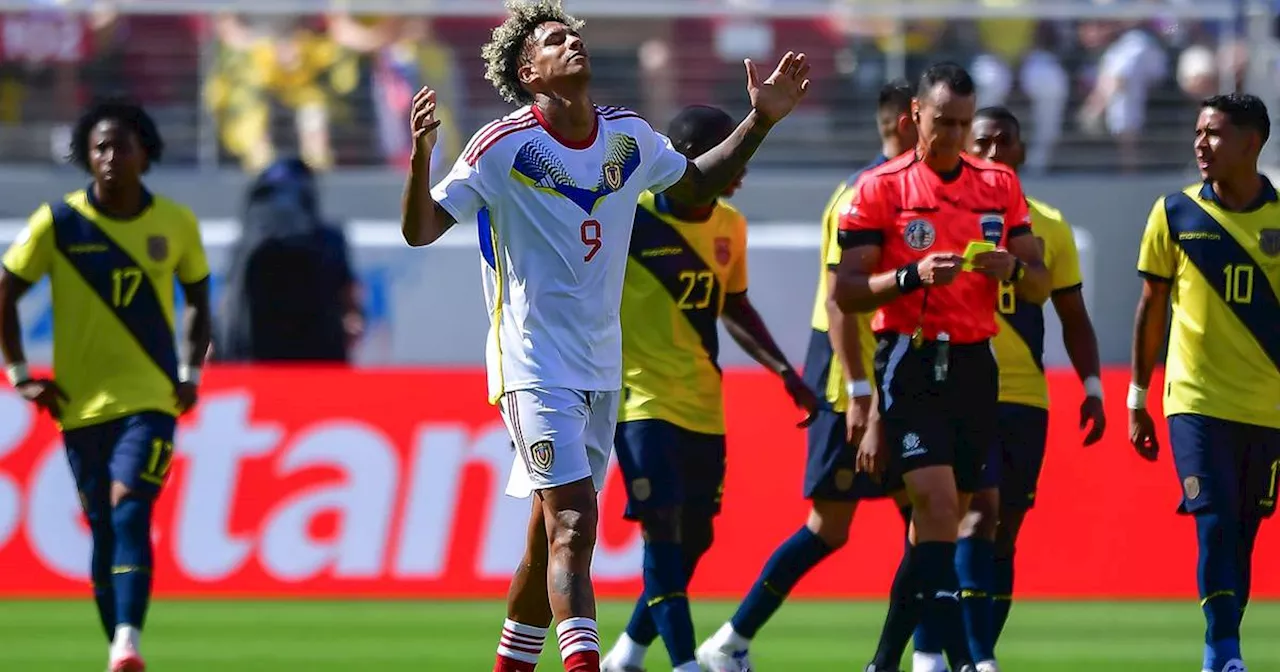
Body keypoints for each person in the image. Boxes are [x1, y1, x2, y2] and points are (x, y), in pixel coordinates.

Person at [398, 2, 810, 671]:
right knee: (573, 527)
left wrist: (761, 119)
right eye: (554, 41)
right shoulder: (502, 146)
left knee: (546, 537)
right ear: (530, 73)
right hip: (531, 364)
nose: (572, 43)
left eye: (572, 35)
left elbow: (697, 181)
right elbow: (421, 229)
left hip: (600, 370)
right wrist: (421, 159)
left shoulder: (628, 136)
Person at [693, 79, 917, 672]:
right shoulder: (864, 195)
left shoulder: (914, 191)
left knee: (931, 517)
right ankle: (729, 641)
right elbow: (843, 302)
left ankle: (928, 656)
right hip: (851, 374)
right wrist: (859, 394)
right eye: (932, 121)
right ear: (902, 122)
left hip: (896, 369)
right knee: (832, 526)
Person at [833, 62, 1050, 672]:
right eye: (942, 122)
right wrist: (909, 275)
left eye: (962, 122)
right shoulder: (881, 189)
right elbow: (847, 293)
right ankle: (961, 658)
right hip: (910, 356)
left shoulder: (1000, 185)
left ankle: (883, 661)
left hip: (976, 366)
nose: (952, 135)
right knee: (935, 508)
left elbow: (1040, 283)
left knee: (936, 530)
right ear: (914, 119)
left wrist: (1014, 270)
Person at [599, 104, 818, 672]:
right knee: (662, 532)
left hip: (703, 405)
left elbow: (735, 305)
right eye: (731, 151)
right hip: (640, 402)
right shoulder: (628, 217)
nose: (740, 166)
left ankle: (626, 654)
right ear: (690, 161)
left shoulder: (730, 227)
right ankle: (684, 663)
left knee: (694, 542)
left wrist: (784, 373)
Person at [0, 99, 212, 672]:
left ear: (146, 154)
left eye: (122, 146)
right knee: (101, 529)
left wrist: (191, 372)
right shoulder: (59, 224)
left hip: (151, 399)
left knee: (128, 509)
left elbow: (197, 301)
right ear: (86, 158)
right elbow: (4, 294)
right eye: (99, 148)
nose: (110, 157)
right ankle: (116, 646)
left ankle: (127, 641)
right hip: (79, 407)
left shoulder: (175, 223)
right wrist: (20, 374)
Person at [909, 105, 1107, 671]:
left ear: (1020, 151)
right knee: (971, 516)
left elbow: (1072, 313)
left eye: (1004, 144)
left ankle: (968, 653)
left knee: (1004, 530)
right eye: (983, 144)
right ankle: (956, 655)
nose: (994, 155)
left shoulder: (1047, 224)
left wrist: (1092, 385)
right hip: (959, 390)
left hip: (1026, 398)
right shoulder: (942, 213)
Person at [1129, 93, 1280, 672]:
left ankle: (1221, 648)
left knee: (1242, 533)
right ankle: (1224, 654)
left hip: (1266, 408)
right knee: (1213, 521)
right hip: (1193, 400)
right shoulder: (1174, 213)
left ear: (1251, 143)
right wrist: (1137, 397)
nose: (1200, 144)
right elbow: (1151, 307)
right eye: (1197, 132)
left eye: (1214, 133)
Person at [215, 157, 364, 363]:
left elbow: (227, 306)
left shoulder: (246, 242)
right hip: (317, 361)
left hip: (254, 361)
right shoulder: (329, 239)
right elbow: (351, 303)